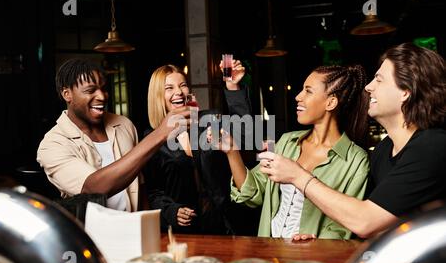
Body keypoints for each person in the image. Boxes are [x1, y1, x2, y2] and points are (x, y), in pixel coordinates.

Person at [260, 42, 446, 239]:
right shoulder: (384, 150)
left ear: (405, 91)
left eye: (379, 80)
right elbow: (380, 223)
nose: (369, 87)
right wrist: (321, 240)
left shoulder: (433, 146)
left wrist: (298, 176)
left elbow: (365, 221)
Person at [219, 64, 371, 240]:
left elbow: (344, 226)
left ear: (331, 102)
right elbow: (252, 193)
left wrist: (317, 243)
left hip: (314, 261)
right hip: (269, 251)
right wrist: (232, 152)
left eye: (308, 91)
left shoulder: (356, 160)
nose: (298, 97)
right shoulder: (286, 142)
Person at [37, 58, 190, 212]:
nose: (102, 97)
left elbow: (141, 187)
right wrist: (160, 133)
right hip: (93, 234)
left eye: (103, 89)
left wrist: (150, 228)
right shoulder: (52, 144)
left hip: (133, 229)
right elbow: (93, 189)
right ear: (67, 94)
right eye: (90, 91)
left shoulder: (124, 125)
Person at [144, 60, 252, 234]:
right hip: (186, 232)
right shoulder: (151, 138)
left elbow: (245, 134)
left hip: (226, 224)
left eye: (183, 85)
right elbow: (154, 192)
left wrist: (232, 87)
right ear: (157, 96)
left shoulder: (209, 119)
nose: (179, 92)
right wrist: (171, 211)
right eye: (169, 88)